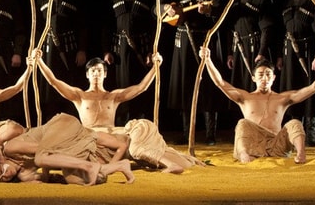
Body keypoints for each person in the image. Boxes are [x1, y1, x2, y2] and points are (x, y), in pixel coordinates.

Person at [32, 48, 203, 173]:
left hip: (115, 135)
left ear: (105, 74)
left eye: (99, 70)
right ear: (87, 75)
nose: (96, 74)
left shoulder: (113, 96)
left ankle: (180, 159)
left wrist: (156, 67)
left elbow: (141, 88)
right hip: (93, 137)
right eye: (93, 71)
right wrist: (39, 62)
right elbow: (54, 81)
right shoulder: (79, 96)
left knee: (141, 142)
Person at [199, 47, 315, 164]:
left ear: (274, 78)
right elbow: (220, 83)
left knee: (295, 123)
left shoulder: (282, 98)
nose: (264, 78)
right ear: (253, 78)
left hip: (276, 145)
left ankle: (301, 154)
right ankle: (244, 155)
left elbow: (314, 88)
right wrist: (208, 60)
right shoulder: (245, 97)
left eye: (268, 74)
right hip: (252, 146)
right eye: (260, 75)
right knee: (242, 123)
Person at [161, 0, 227, 145]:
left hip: (207, 42)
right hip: (184, 41)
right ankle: (186, 132)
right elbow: (158, 7)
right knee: (185, 85)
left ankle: (210, 134)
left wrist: (210, 11)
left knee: (208, 85)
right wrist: (166, 8)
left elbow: (225, 16)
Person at [0, 113, 135, 185]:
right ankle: (121, 166)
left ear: (0, 161)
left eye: (1, 170)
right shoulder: (23, 173)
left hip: (62, 124)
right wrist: (34, 179)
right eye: (1, 179)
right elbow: (50, 171)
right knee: (74, 179)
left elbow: (46, 149)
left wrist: (43, 172)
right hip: (67, 142)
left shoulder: (10, 148)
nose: (5, 175)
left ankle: (89, 166)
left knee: (41, 158)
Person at [102, 0, 158, 126]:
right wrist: (106, 51)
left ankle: (140, 127)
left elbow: (155, 26)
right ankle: (122, 126)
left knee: (140, 87)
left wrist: (151, 51)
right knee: (121, 87)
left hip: (141, 49)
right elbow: (107, 25)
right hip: (119, 50)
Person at [278, 0, 315, 147]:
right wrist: (280, 56)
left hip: (308, 53)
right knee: (291, 92)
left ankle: (310, 135)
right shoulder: (288, 3)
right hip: (289, 53)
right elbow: (282, 32)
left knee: (309, 93)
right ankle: (295, 133)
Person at [36, 0, 89, 118]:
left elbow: (83, 26)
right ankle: (49, 123)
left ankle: (70, 123)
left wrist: (82, 50)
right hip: (48, 51)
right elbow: (38, 27)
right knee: (48, 88)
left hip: (69, 49)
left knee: (69, 87)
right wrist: (36, 49)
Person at [223, 0, 278, 113]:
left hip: (255, 49)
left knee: (253, 87)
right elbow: (229, 28)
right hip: (238, 48)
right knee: (239, 89)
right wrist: (230, 53)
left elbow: (267, 29)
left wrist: (262, 52)